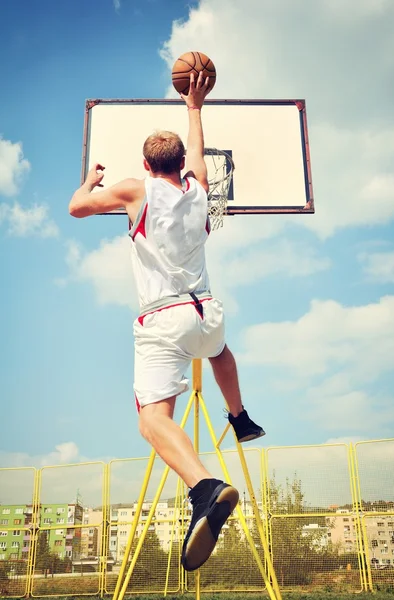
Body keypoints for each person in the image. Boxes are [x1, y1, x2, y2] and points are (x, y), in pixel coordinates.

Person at [69, 71, 265, 572]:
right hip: (207, 311)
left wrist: (91, 183)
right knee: (219, 352)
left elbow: (76, 208)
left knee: (152, 420)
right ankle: (240, 417)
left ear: (145, 164)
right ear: (184, 166)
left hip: (163, 317)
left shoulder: (135, 190)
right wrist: (194, 104)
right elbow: (198, 146)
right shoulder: (199, 191)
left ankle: (205, 487)